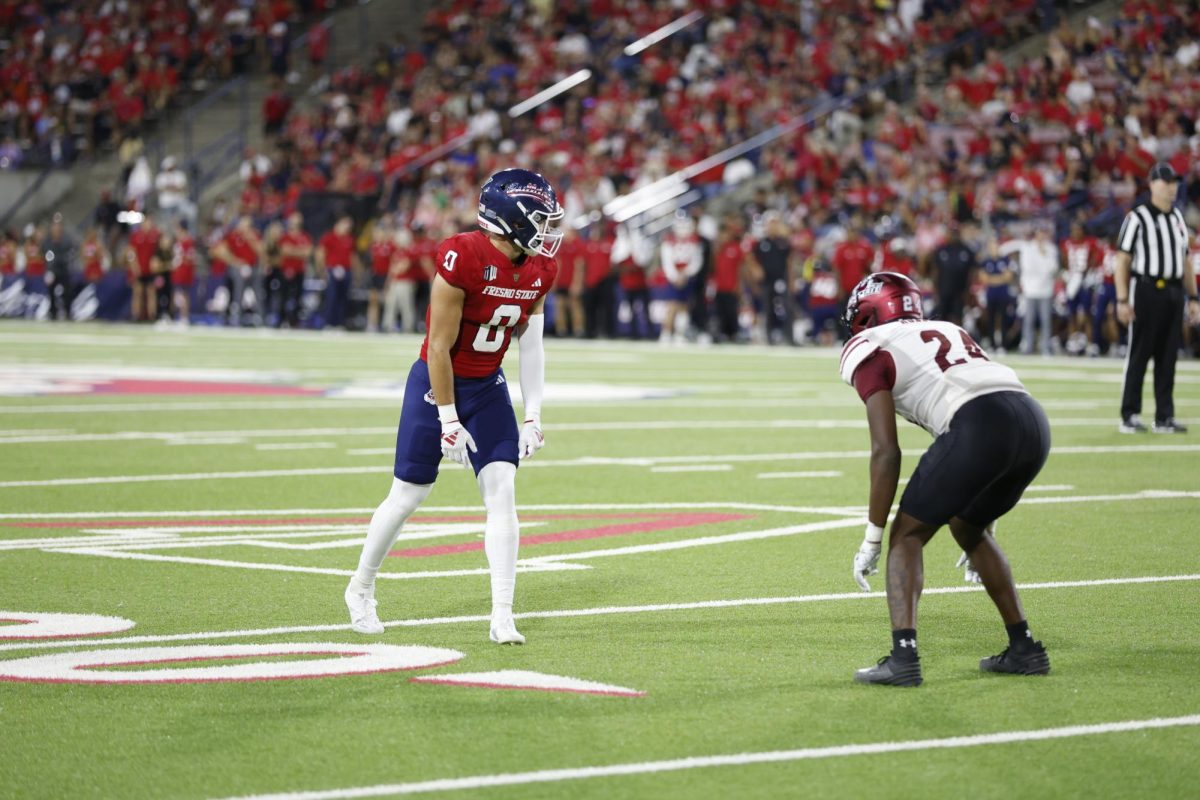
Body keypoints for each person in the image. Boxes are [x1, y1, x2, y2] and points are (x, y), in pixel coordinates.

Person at [344, 168, 561, 645]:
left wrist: (533, 415)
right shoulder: (462, 255)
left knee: (501, 486)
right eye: (540, 219)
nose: (547, 231)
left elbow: (533, 346)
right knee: (408, 494)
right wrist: (446, 419)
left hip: (487, 384)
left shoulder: (541, 268)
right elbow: (438, 346)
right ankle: (360, 587)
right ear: (511, 218)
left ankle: (502, 614)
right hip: (437, 381)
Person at [840, 272, 1050, 687]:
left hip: (981, 424)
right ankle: (1025, 649)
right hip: (1032, 422)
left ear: (868, 313)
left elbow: (886, 450)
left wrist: (873, 536)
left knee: (906, 537)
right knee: (967, 525)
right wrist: (984, 518)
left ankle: (903, 660)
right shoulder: (948, 328)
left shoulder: (870, 346)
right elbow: (991, 407)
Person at [1115, 162, 1200, 433]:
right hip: (1147, 290)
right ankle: (1130, 414)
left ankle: (1164, 416)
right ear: (1152, 184)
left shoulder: (1177, 217)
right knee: (1140, 353)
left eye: (1174, 182)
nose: (1171, 188)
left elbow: (1186, 261)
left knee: (1168, 356)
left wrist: (1193, 297)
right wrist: (1122, 299)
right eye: (1166, 182)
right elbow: (1122, 261)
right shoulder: (1137, 218)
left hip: (1174, 292)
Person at [1001, 226, 1059, 356]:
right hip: (1030, 289)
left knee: (1046, 320)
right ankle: (1027, 345)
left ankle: (1045, 347)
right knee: (1028, 320)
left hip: (1046, 289)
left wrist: (1043, 255)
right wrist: (1043, 263)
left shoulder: (1050, 249)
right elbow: (1028, 267)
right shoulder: (1027, 248)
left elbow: (1053, 268)